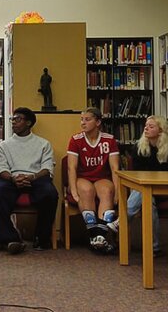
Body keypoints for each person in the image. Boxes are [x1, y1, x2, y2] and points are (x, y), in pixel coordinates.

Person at [0, 107, 58, 254]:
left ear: (28, 123)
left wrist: (32, 177)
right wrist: (14, 178)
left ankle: (41, 237)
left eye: (18, 119)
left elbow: (47, 169)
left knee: (50, 193)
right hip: (12, 178)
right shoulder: (4, 145)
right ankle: (10, 239)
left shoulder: (43, 144)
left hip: (36, 178)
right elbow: (1, 170)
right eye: (12, 119)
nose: (13, 122)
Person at [113, 115, 168, 256]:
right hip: (144, 188)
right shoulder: (139, 147)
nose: (146, 128)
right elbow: (138, 174)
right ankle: (154, 248)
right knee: (148, 201)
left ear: (161, 130)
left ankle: (120, 221)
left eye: (151, 126)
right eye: (146, 126)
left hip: (164, 190)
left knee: (144, 194)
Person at [67, 107, 120, 252]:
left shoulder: (109, 140)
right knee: (86, 190)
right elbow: (72, 167)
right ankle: (96, 235)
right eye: (81, 119)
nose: (83, 123)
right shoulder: (76, 140)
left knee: (107, 191)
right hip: (83, 177)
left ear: (98, 122)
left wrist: (117, 192)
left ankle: (99, 237)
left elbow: (115, 168)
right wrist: (73, 190)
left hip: (102, 177)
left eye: (87, 119)